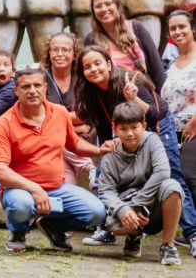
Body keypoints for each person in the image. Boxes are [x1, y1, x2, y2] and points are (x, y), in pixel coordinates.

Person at [75, 45, 196, 254]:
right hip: (125, 131)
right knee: (105, 170)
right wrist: (107, 147)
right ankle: (113, 228)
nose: (93, 69)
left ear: (109, 64)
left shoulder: (129, 80)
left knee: (171, 175)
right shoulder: (91, 91)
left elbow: (154, 114)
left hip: (156, 125)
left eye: (98, 63)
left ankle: (192, 233)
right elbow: (104, 125)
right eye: (87, 66)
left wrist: (133, 99)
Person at [0, 65, 115, 253]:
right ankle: (17, 231)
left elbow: (73, 144)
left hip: (57, 187)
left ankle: (54, 227)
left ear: (45, 87)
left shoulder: (60, 113)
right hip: (20, 190)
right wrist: (34, 188)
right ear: (15, 90)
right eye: (25, 87)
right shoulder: (4, 123)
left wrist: (99, 151)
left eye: (37, 85)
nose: (32, 91)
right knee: (21, 205)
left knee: (97, 212)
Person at [99, 102, 183, 265]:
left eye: (134, 127)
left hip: (153, 204)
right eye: (123, 128)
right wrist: (125, 210)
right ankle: (134, 234)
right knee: (111, 224)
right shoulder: (110, 154)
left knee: (172, 186)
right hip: (127, 205)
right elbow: (106, 191)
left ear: (144, 126)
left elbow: (163, 172)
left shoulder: (153, 141)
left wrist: (138, 205)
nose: (129, 133)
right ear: (115, 128)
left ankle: (168, 246)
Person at [161, 10, 196, 253]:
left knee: (190, 175)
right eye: (173, 29)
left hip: (193, 128)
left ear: (192, 28)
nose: (177, 32)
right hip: (174, 132)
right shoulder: (172, 64)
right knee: (180, 177)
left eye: (182, 26)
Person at [40, 32, 96, 186]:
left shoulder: (84, 79)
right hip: (50, 144)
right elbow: (40, 116)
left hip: (80, 142)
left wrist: (55, 118)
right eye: (55, 50)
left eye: (65, 50)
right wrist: (75, 125)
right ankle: (86, 165)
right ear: (49, 53)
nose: (60, 54)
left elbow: (89, 113)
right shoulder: (39, 78)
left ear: (74, 55)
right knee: (66, 183)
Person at [85, 0, 165, 91]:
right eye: (98, 6)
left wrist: (163, 101)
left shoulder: (136, 28)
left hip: (146, 97)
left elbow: (157, 68)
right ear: (93, 11)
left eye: (108, 4)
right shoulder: (91, 40)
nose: (104, 9)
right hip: (116, 100)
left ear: (117, 5)